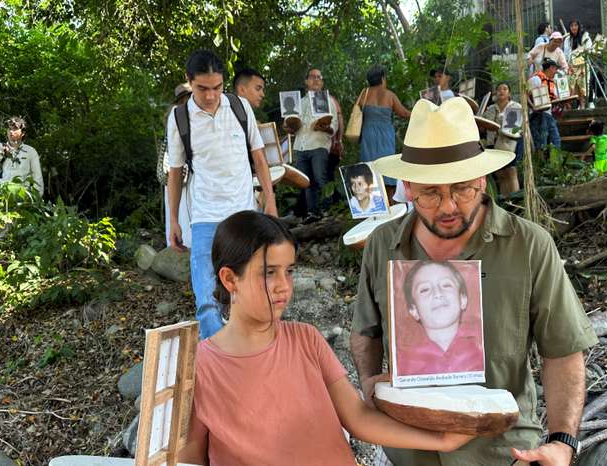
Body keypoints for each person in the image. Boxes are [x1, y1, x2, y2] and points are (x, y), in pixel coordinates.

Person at [351, 97, 597, 466]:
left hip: (502, 454)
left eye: (463, 189)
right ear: (408, 186)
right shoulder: (383, 245)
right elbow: (365, 329)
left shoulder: (529, 246)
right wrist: (370, 381)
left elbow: (562, 349)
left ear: (482, 179)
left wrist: (562, 442)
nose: (448, 206)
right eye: (430, 192)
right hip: (409, 453)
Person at [178, 210, 475, 465]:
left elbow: (357, 417)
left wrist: (441, 440)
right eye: (269, 273)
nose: (284, 286)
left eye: (290, 271)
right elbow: (188, 459)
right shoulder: (199, 367)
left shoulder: (305, 339)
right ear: (230, 279)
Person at [167, 50, 278, 340]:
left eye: (217, 87)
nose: (210, 95)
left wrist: (271, 203)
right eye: (202, 88)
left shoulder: (240, 107)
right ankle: (217, 362)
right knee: (206, 300)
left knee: (251, 291)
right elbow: (175, 173)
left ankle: (254, 352)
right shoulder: (179, 118)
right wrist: (173, 221)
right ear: (189, 82)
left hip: (244, 215)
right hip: (204, 217)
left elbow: (259, 157)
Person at [396, 261, 483, 377]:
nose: (437, 293)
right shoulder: (403, 362)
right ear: (414, 310)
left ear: (463, 299)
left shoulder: (480, 349)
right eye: (425, 289)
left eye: (446, 285)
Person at [286, 68, 338, 221]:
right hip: (301, 146)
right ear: (306, 81)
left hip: (318, 144)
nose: (316, 80)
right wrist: (289, 127)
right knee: (306, 182)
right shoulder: (297, 103)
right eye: (312, 77)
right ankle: (312, 212)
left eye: (319, 77)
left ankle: (329, 210)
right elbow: (292, 126)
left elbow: (334, 124)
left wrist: (327, 127)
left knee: (321, 177)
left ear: (322, 82)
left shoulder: (328, 101)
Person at [359, 65, 411, 200]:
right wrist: (420, 112)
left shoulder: (364, 94)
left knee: (370, 167)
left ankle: (374, 204)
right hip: (385, 136)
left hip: (368, 135)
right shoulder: (390, 95)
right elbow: (404, 113)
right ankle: (389, 200)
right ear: (382, 78)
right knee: (387, 165)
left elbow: (357, 115)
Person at [162, 83, 193, 248]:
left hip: (176, 172)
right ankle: (183, 243)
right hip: (178, 171)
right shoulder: (178, 116)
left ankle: (179, 243)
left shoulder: (175, 115)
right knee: (182, 208)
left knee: (178, 209)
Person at [0, 116, 44, 194]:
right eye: (9, 129)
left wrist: (36, 199)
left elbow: (37, 178)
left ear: (23, 133)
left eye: (15, 129)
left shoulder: (30, 152)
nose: (11, 132)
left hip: (20, 197)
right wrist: (0, 155)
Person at [482, 83, 523, 196]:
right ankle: (505, 201)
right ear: (495, 92)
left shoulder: (515, 107)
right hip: (493, 143)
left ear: (509, 93)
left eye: (505, 89)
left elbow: (514, 129)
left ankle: (514, 200)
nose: (501, 91)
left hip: (511, 143)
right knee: (500, 174)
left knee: (511, 171)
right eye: (499, 89)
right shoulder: (490, 109)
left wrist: (498, 129)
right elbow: (483, 125)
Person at [529, 59, 562, 153]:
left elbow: (553, 99)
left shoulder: (551, 83)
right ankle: (541, 163)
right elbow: (525, 95)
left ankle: (555, 162)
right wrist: (533, 107)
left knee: (555, 140)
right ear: (551, 68)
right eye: (555, 69)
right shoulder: (535, 79)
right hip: (537, 115)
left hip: (548, 114)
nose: (556, 72)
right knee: (541, 141)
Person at [563, 20, 593, 108]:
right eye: (572, 25)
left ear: (579, 26)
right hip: (572, 66)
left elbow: (589, 49)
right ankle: (572, 107)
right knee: (572, 86)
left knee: (582, 85)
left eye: (576, 25)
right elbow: (566, 54)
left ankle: (583, 105)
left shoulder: (585, 36)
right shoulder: (568, 39)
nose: (574, 27)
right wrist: (567, 65)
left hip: (582, 65)